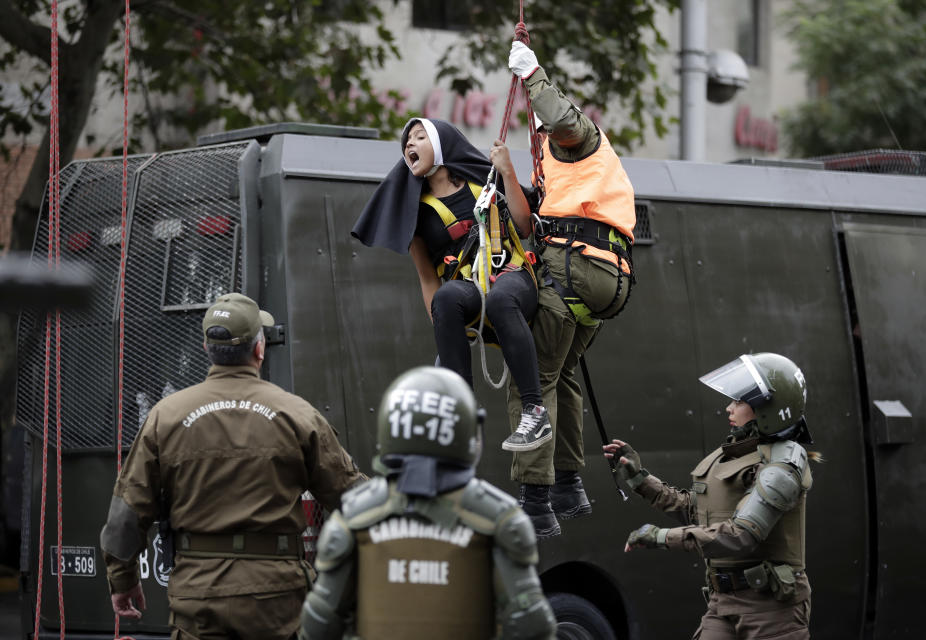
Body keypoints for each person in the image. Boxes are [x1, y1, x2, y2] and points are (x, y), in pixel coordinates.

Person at [100, 293, 365, 640]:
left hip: (198, 599)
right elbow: (354, 500)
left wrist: (122, 580)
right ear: (259, 349)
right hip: (278, 600)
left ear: (207, 348)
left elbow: (127, 512)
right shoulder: (297, 415)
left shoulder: (165, 417)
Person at [299, 366, 557, 640]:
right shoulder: (499, 519)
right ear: (468, 432)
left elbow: (319, 627)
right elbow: (532, 628)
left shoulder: (354, 517)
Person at [499, 41, 638, 537]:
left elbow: (563, 120)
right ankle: (568, 486)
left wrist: (533, 73)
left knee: (531, 372)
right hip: (607, 278)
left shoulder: (578, 140)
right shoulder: (571, 173)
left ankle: (535, 503)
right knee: (563, 373)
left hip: (577, 267)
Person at [352, 117, 553, 453]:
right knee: (444, 298)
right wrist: (445, 327)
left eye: (419, 137)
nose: (410, 145)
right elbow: (428, 279)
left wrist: (507, 172)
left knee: (502, 298)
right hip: (468, 290)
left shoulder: (485, 183)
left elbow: (523, 226)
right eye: (407, 143)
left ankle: (534, 411)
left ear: (442, 145)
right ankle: (464, 415)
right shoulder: (417, 215)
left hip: (511, 276)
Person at [603, 353, 819, 639]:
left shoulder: (783, 465)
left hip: (771, 608)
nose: (729, 408)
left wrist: (661, 537)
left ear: (767, 408)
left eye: (739, 401)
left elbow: (739, 535)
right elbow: (697, 511)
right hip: (722, 602)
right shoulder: (733, 454)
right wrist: (640, 479)